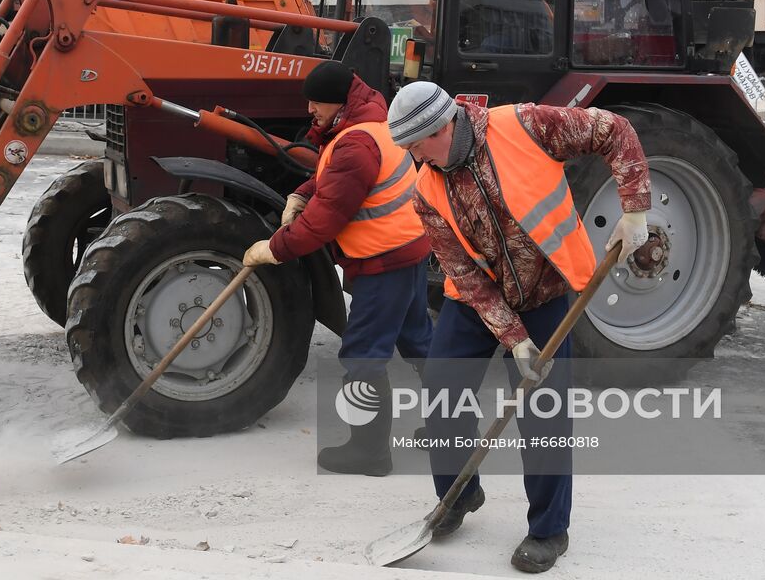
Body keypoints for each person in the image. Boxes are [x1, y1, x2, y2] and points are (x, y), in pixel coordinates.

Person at [386, 81, 651, 574]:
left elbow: (615, 130)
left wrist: (634, 209)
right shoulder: (426, 189)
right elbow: (461, 272)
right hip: (475, 301)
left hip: (546, 293)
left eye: (416, 144)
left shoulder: (525, 126)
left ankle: (549, 530)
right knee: (442, 393)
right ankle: (458, 497)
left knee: (543, 414)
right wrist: (514, 339)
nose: (413, 157)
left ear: (443, 126)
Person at [243, 61, 433, 476]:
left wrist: (274, 250)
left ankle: (369, 453)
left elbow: (325, 220)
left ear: (340, 102)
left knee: (364, 356)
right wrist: (300, 192)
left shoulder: (354, 144)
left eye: (317, 102)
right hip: (410, 249)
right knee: (420, 343)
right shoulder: (374, 123)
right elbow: (337, 176)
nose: (310, 109)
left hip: (383, 261)